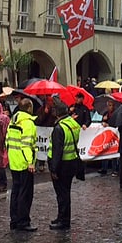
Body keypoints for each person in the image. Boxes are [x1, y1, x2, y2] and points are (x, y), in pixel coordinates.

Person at [48, 98, 82, 230]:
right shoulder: (73, 123)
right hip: (71, 162)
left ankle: (63, 220)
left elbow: (57, 151)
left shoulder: (59, 128)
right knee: (65, 192)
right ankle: (62, 217)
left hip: (62, 165)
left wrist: (53, 169)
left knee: (62, 194)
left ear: (57, 113)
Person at [7, 97, 38, 232]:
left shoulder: (13, 121)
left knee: (16, 191)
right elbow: (26, 145)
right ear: (29, 108)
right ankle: (23, 221)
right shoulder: (28, 123)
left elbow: (7, 141)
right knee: (25, 194)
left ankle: (14, 219)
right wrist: (30, 162)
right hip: (24, 162)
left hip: (14, 161)